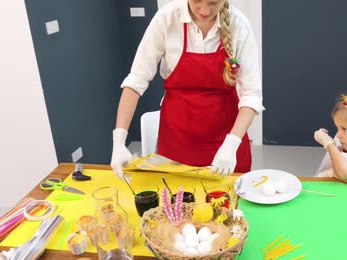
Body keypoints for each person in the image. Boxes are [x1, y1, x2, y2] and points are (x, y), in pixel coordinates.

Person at [110, 0, 264, 178]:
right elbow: (136, 81)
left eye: (213, 3)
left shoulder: (239, 25)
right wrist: (119, 141)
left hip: (226, 138)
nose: (204, 10)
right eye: (197, 0)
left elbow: (252, 95)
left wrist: (231, 145)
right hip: (177, 140)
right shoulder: (167, 19)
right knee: (176, 203)